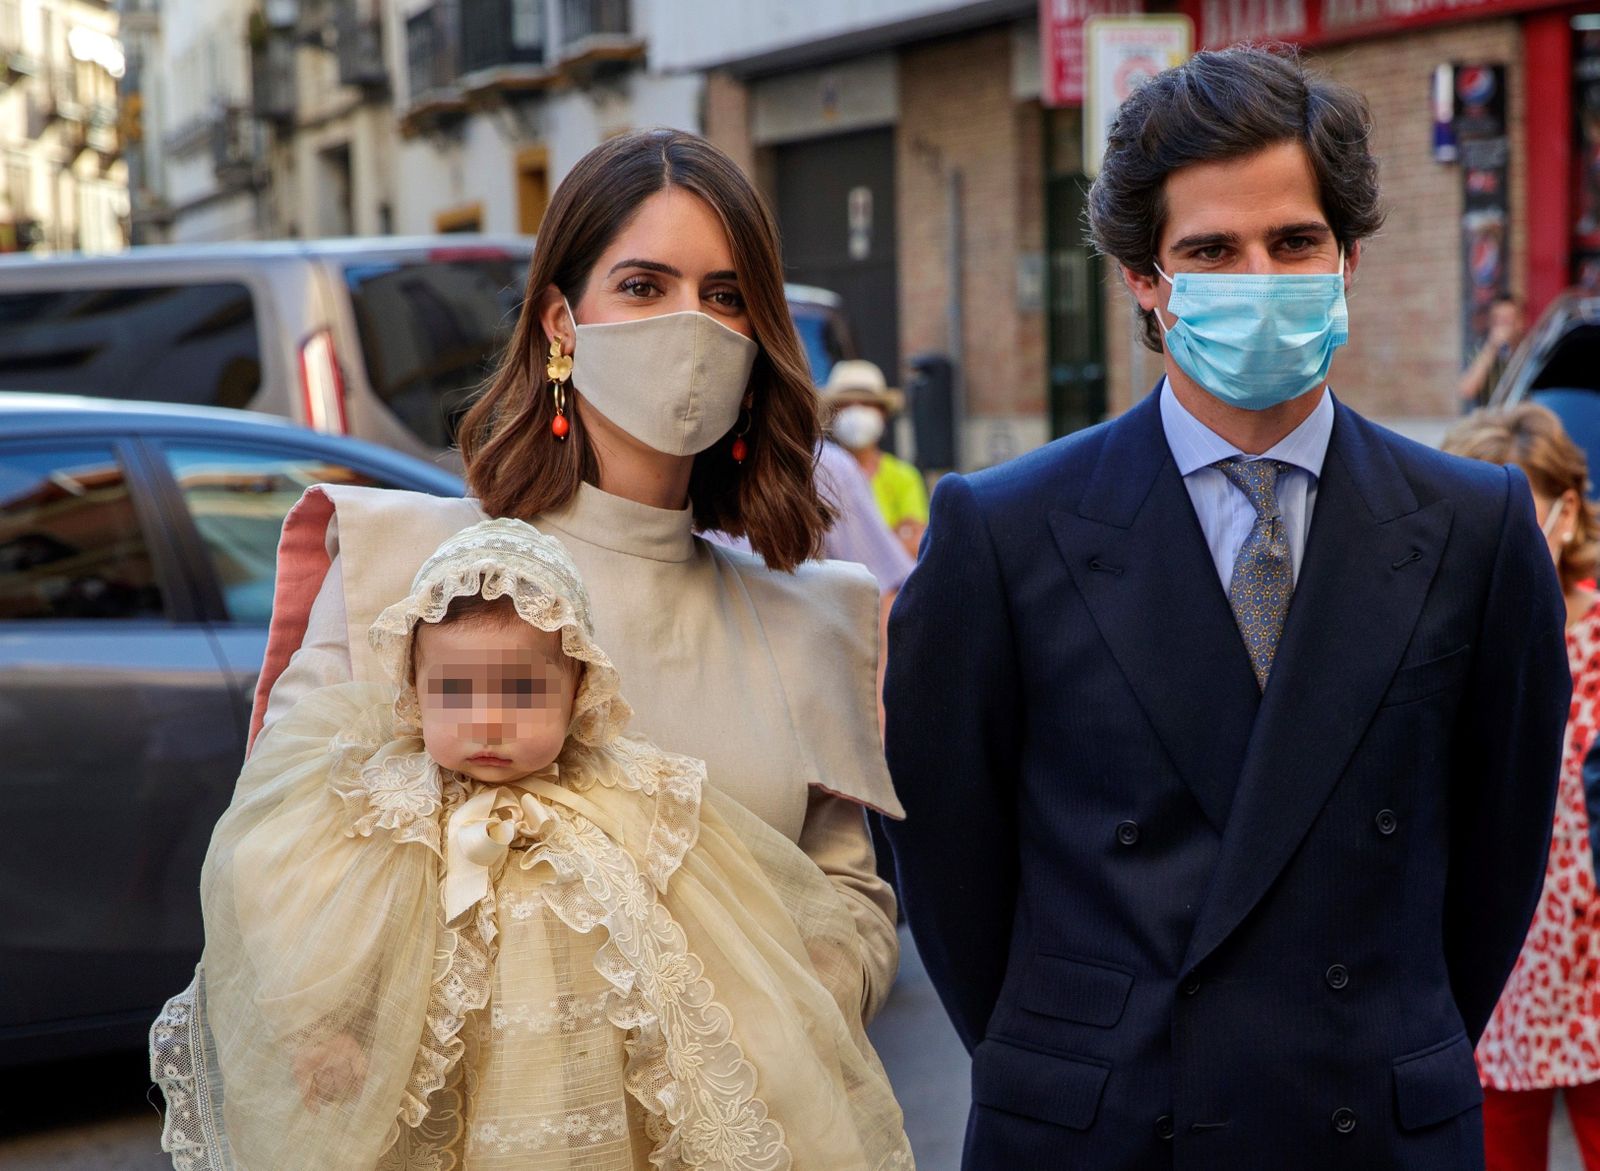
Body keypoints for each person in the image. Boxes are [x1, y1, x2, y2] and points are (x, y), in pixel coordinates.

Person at [884, 44, 1570, 1171]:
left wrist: (1390, 1035)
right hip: (1105, 1134)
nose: (1258, 278)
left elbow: (1500, 856)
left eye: (1293, 243)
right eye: (1211, 250)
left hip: (1372, 1127)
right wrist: (1069, 1057)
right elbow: (950, 864)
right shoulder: (1001, 531)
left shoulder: (1476, 525)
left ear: (1347, 257)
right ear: (1142, 278)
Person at [250, 129, 904, 1040]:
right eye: (644, 286)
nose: (690, 325)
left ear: (760, 338)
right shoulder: (401, 565)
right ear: (560, 323)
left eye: (726, 296)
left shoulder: (810, 618)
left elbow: (852, 907)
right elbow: (279, 870)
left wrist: (734, 1044)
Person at [150, 519, 912, 1170]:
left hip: (595, 1088)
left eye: (521, 691)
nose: (487, 720)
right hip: (446, 1098)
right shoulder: (386, 801)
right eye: (455, 691)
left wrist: (784, 993)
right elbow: (295, 900)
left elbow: (716, 911)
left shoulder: (630, 792)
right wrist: (322, 1029)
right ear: (413, 689)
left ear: (579, 690)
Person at [1444, 405, 1600, 1171]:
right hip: (1499, 980)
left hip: (1594, 964)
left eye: (1517, 518)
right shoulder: (1451, 644)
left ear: (1567, 513)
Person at [823, 359, 929, 560]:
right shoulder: (819, 475)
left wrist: (851, 543)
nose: (856, 412)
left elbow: (917, 544)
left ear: (883, 412)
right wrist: (891, 537)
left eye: (866, 404)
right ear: (831, 414)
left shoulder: (904, 476)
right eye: (846, 405)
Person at [1458, 293, 1525, 411]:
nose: (1502, 325)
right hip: (1489, 418)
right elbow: (1467, 390)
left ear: (1519, 322)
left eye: (1508, 319)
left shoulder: (1528, 349)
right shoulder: (1479, 349)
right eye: (1498, 320)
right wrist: (1492, 347)